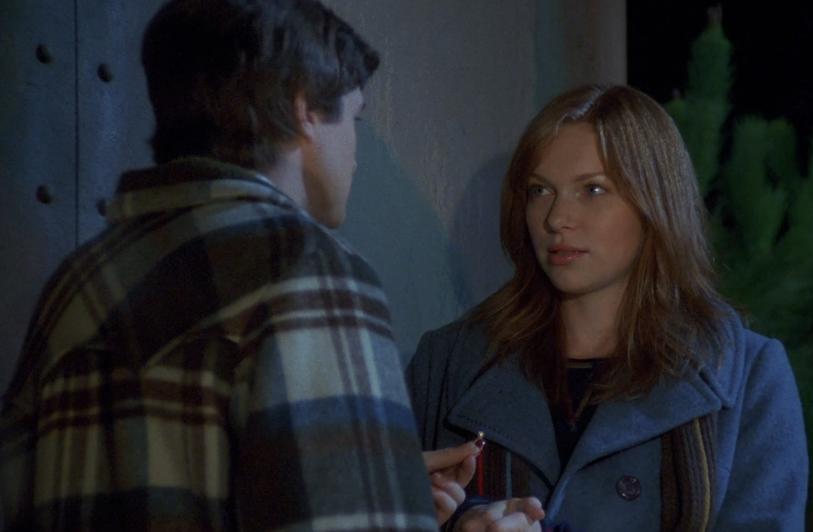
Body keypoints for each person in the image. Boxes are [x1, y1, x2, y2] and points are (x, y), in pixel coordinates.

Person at [0, 0, 469, 529]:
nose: (356, 154)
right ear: (305, 109)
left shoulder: (77, 284)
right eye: (353, 119)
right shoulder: (307, 269)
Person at [407, 85, 809, 531]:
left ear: (655, 203)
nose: (557, 218)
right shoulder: (446, 365)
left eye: (593, 189)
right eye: (540, 190)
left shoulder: (747, 375)